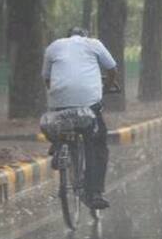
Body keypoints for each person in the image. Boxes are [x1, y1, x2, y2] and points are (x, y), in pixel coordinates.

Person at [42, 27, 118, 210]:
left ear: (67, 37)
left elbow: (47, 78)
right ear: (85, 36)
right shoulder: (94, 44)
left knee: (57, 122)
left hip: (60, 106)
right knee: (97, 143)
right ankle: (95, 193)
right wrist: (105, 87)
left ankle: (60, 145)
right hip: (88, 107)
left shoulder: (54, 46)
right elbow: (112, 69)